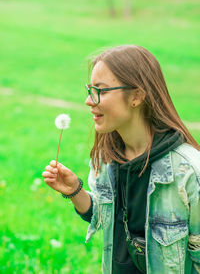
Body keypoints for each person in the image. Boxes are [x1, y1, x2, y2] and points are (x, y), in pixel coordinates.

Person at [42, 45, 200, 274]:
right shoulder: (107, 158)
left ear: (136, 96)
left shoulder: (189, 172)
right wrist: (75, 191)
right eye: (90, 89)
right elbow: (105, 215)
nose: (89, 100)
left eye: (101, 91)